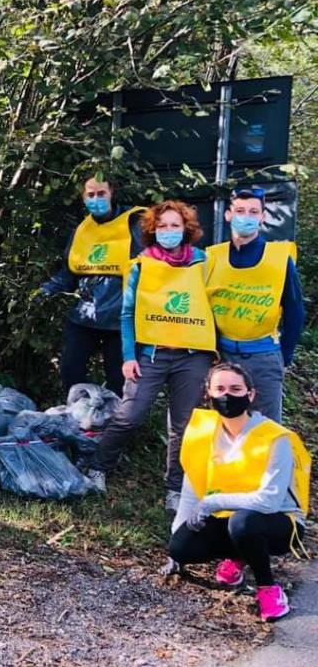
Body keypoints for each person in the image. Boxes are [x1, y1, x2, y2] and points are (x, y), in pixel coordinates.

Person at [85, 200, 216, 514]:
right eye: (162, 226)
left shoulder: (203, 262)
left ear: (186, 229)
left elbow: (214, 306)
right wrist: (129, 356)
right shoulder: (141, 264)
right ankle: (98, 467)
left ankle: (174, 487)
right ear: (152, 230)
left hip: (192, 357)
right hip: (151, 355)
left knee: (183, 426)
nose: (168, 231)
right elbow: (128, 313)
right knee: (129, 414)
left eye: (174, 225)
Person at [168, 363, 309, 622]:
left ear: (250, 394)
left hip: (278, 523)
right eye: (219, 389)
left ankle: (268, 589)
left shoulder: (275, 437)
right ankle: (238, 555)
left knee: (244, 522)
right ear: (208, 394)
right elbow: (191, 488)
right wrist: (179, 529)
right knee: (181, 547)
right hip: (227, 517)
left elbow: (269, 501)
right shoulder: (202, 431)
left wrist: (211, 502)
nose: (227, 396)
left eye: (235, 389)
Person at [38, 175, 144, 396]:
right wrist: (46, 290)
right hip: (84, 315)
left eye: (101, 193)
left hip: (121, 319)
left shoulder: (134, 224)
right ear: (83, 198)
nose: (96, 199)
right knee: (70, 371)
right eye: (91, 195)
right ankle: (76, 421)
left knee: (118, 381)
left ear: (112, 192)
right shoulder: (82, 230)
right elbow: (70, 271)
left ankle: (115, 427)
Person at [206, 186, 304, 422]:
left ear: (262, 217)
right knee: (222, 424)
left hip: (263, 356)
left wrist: (285, 357)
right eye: (240, 210)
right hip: (222, 355)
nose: (246, 217)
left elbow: (295, 311)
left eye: (253, 211)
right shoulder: (211, 257)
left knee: (265, 427)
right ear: (228, 215)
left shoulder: (279, 259)